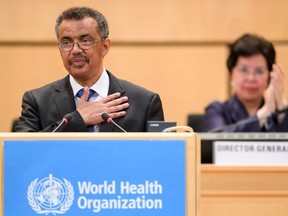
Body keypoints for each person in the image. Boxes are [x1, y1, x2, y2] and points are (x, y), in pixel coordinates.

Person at [15, 7, 164, 132]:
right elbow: (22, 154)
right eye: (66, 42)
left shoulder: (144, 102)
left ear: (104, 47)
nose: (75, 50)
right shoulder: (37, 101)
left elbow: (159, 159)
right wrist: (77, 120)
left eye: (85, 41)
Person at [202, 33, 288, 132]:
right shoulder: (217, 111)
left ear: (269, 75)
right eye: (244, 70)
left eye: (259, 71)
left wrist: (282, 110)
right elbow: (217, 140)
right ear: (231, 74)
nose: (251, 78)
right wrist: (264, 114)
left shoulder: (279, 115)